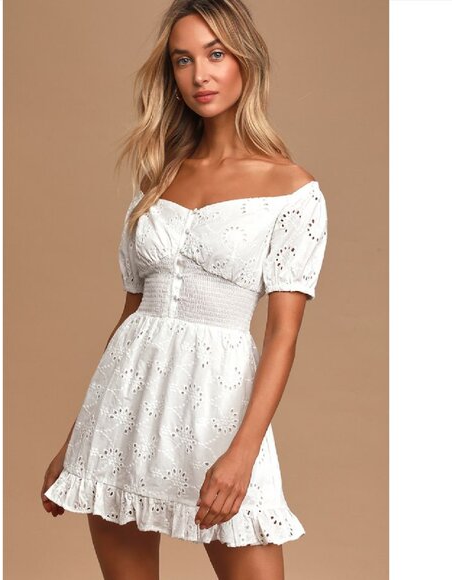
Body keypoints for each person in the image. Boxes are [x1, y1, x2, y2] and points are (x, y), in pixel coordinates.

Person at [41, 1, 328, 578]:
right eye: (183, 59)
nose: (200, 74)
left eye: (216, 54)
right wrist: (76, 438)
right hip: (122, 409)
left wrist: (243, 453)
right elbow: (130, 316)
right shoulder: (158, 177)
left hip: (219, 409)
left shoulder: (292, 190)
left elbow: (282, 336)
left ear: (245, 60)